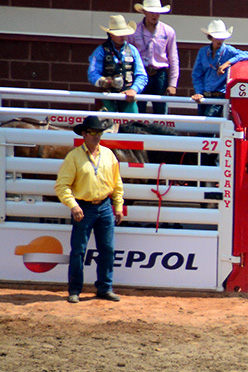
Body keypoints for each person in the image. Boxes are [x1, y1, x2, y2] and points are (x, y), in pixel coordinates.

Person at [54, 115, 125, 304]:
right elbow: (62, 185)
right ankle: (75, 289)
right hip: (83, 207)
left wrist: (118, 206)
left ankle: (105, 287)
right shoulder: (74, 157)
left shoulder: (109, 155)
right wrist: (73, 205)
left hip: (104, 205)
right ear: (84, 134)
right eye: (92, 132)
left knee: (107, 249)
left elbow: (116, 182)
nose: (96, 136)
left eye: (99, 133)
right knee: (78, 250)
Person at [190, 20, 248, 118]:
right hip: (205, 94)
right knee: (202, 125)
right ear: (210, 37)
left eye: (222, 37)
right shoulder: (203, 52)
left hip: (219, 95)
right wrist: (199, 92)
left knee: (208, 122)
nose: (220, 40)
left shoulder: (228, 50)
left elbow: (246, 54)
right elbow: (197, 75)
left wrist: (227, 63)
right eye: (217, 37)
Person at [88, 15, 148, 114]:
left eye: (124, 34)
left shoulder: (133, 50)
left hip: (128, 97)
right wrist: (107, 82)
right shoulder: (100, 51)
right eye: (118, 34)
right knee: (106, 126)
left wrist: (134, 90)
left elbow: (142, 75)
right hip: (106, 97)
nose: (122, 36)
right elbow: (92, 74)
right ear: (111, 35)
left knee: (131, 126)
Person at [127, 0, 178, 115]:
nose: (154, 15)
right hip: (140, 73)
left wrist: (172, 84)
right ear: (144, 12)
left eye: (157, 12)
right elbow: (128, 57)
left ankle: (159, 132)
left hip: (160, 74)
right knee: (138, 108)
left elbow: (173, 57)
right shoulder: (134, 31)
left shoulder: (168, 31)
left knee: (160, 110)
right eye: (151, 12)